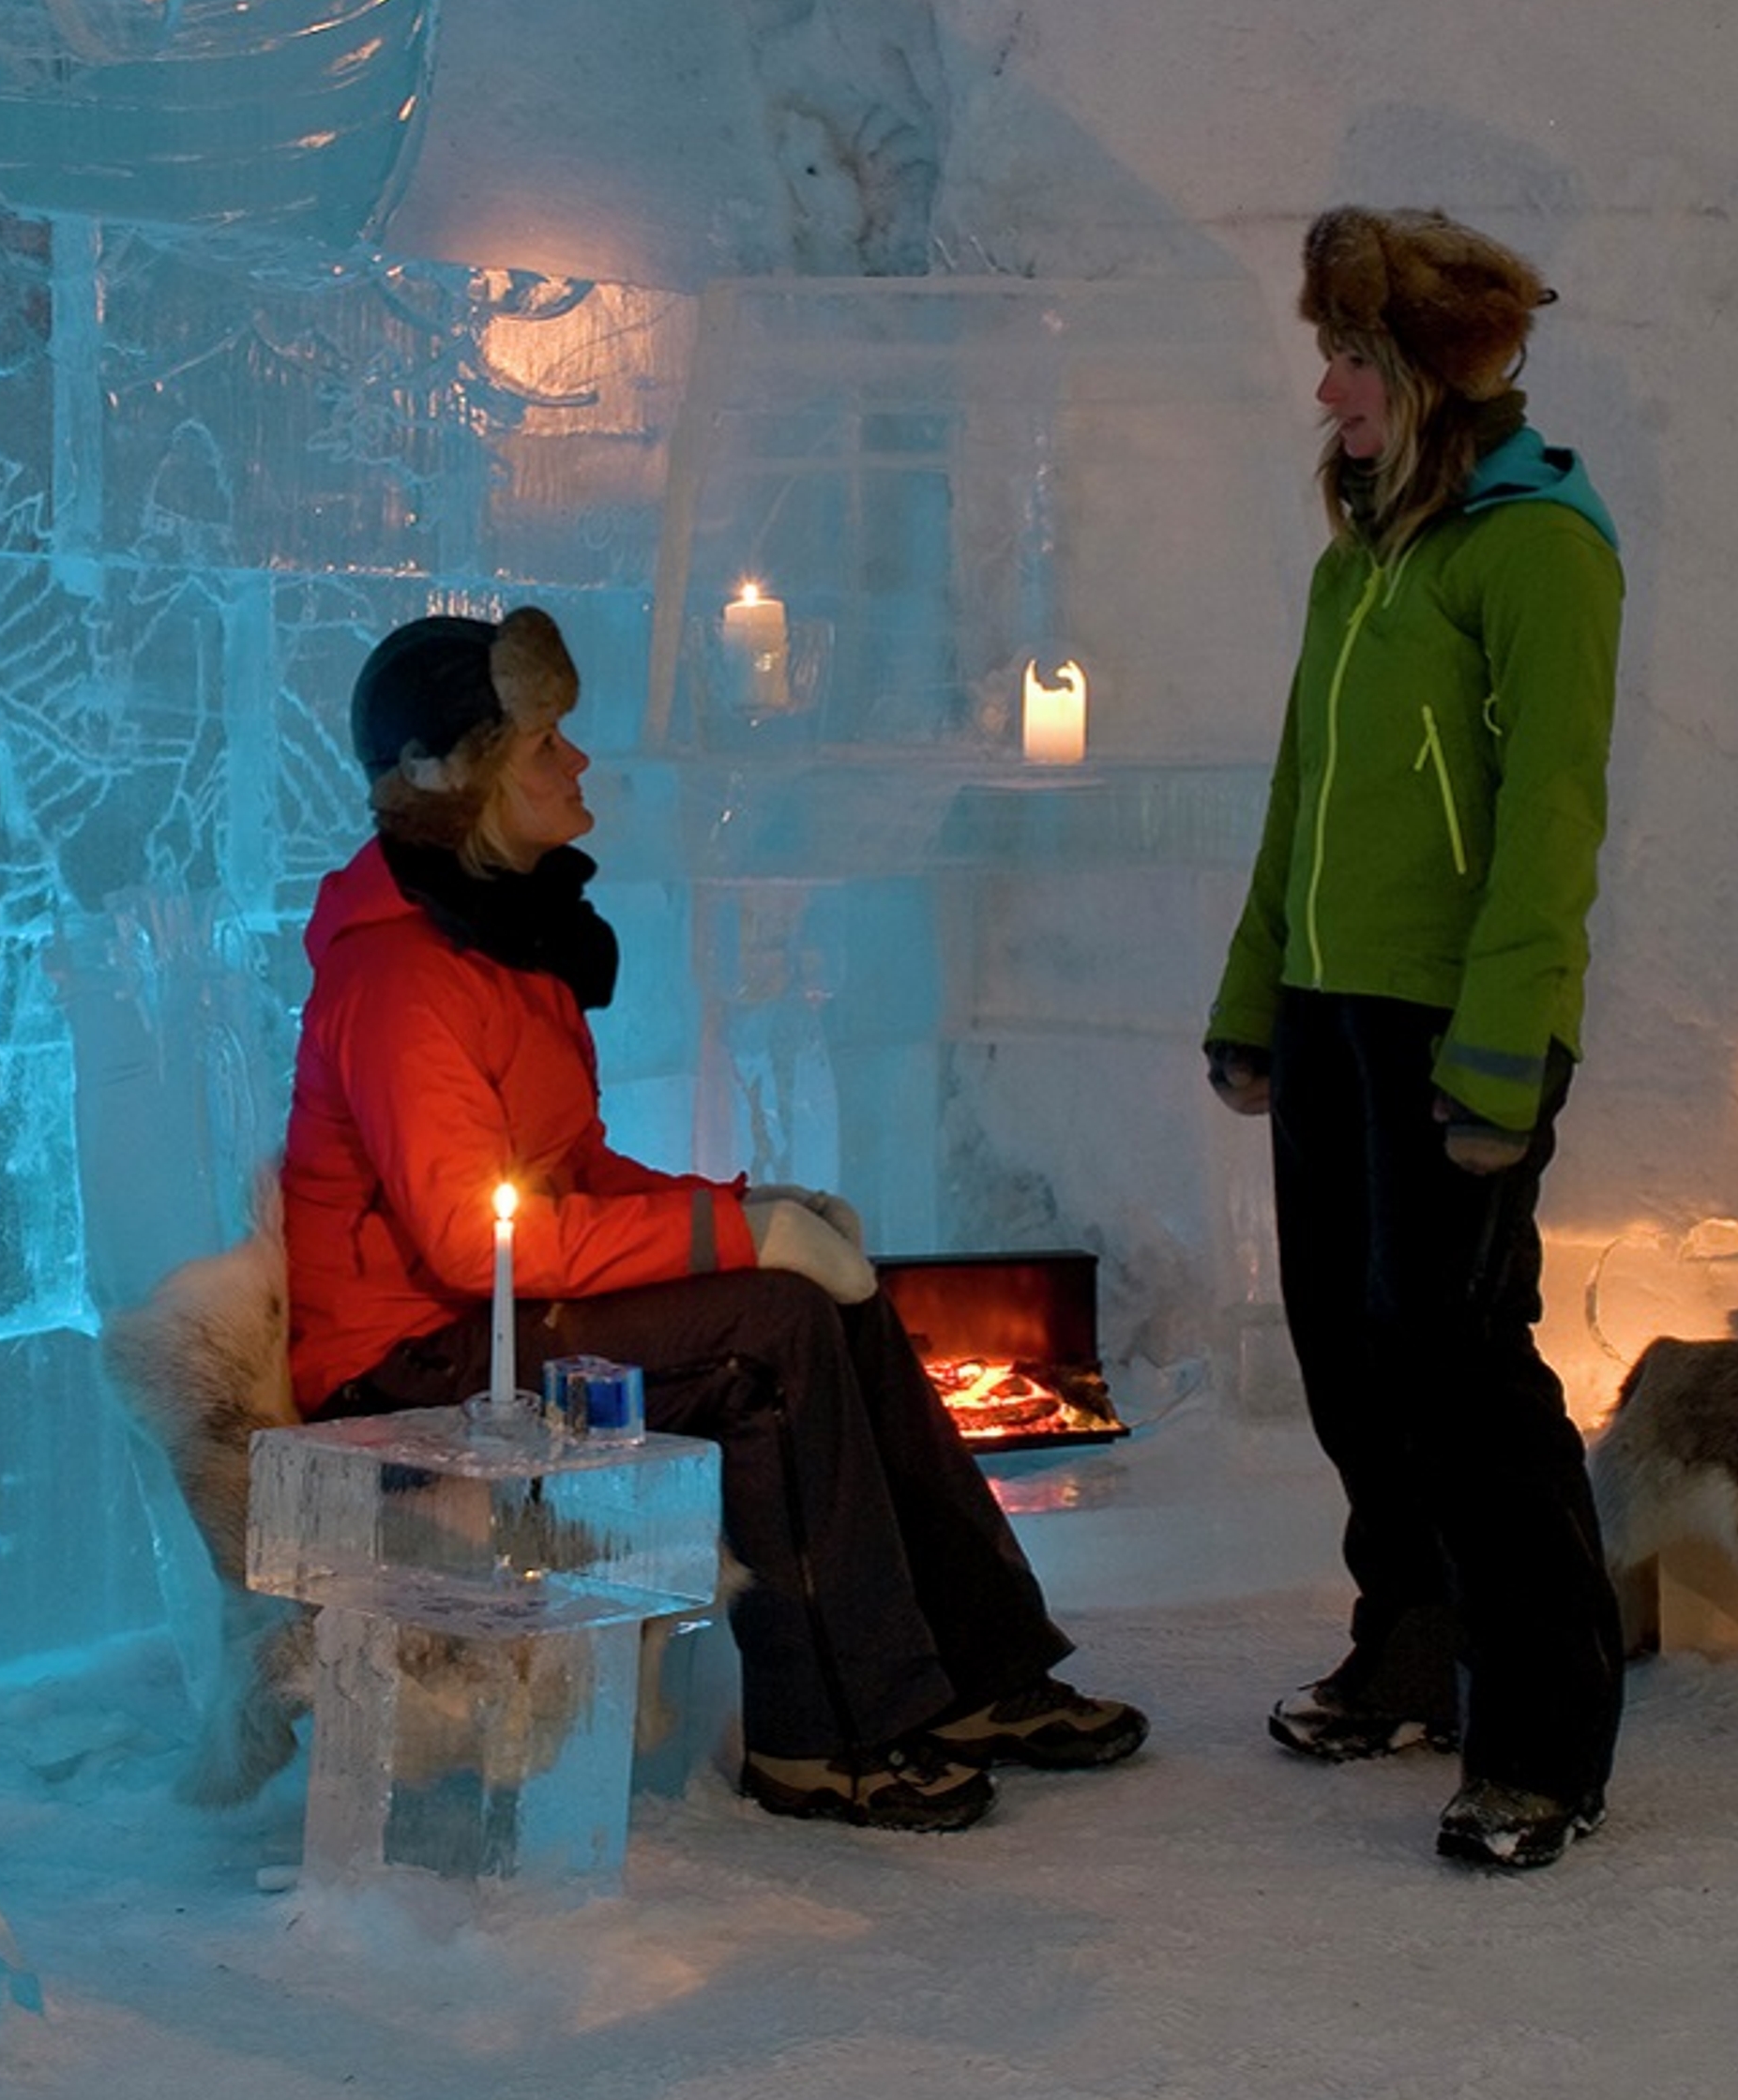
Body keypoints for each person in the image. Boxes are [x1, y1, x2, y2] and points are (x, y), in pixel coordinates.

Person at [281, 605, 1147, 1832]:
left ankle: (971, 1672)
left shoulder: (505, 945)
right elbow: (471, 1247)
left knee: (831, 1298)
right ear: (462, 784)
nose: (577, 765)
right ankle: (823, 1737)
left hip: (485, 1317)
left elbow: (568, 1170)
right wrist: (739, 1247)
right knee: (770, 1330)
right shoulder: (401, 979)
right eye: (543, 749)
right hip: (406, 1363)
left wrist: (752, 1208)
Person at [1202, 204, 1627, 1871]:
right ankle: (1415, 1641)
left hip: (1462, 1024)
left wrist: (1505, 1055)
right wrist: (1257, 1001)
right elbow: (1300, 796)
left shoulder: (1539, 548)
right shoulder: (1360, 561)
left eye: (1354, 362)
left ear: (1434, 378)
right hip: (1330, 1009)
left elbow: (1551, 822)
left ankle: (1543, 1735)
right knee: (1347, 1345)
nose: (1327, 393)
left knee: (1461, 1369)